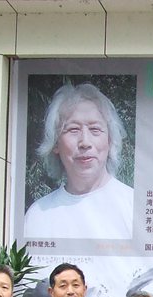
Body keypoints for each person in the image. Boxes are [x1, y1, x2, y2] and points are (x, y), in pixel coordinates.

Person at [25, 82, 133, 240]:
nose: (85, 142)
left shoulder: (134, 206)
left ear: (110, 140)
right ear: (55, 143)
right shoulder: (38, 215)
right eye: (73, 130)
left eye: (95, 129)